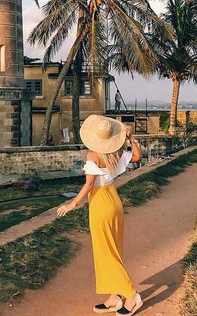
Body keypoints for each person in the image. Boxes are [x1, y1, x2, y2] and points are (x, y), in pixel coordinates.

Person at [57, 114, 143, 315]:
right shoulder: (115, 153)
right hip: (114, 200)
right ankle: (115, 297)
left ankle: (131, 295)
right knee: (113, 249)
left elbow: (88, 184)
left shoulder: (92, 155)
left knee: (106, 253)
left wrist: (73, 203)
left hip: (101, 204)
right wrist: (131, 139)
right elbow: (137, 158)